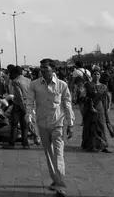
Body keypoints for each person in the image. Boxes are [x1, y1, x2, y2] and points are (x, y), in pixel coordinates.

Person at [25, 59, 74, 197]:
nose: (43, 70)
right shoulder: (34, 84)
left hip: (58, 123)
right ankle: (55, 179)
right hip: (41, 123)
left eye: (46, 68)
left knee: (58, 154)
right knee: (48, 154)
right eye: (41, 68)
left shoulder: (62, 85)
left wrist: (70, 123)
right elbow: (29, 102)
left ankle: (60, 186)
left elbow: (67, 103)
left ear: (53, 69)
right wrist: (28, 118)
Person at [80, 70, 113, 153]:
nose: (96, 75)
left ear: (100, 76)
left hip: (100, 108)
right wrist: (87, 100)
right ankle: (89, 144)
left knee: (101, 126)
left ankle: (103, 145)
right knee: (89, 125)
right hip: (89, 107)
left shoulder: (103, 86)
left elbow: (107, 97)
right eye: (94, 74)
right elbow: (82, 96)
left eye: (98, 74)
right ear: (92, 75)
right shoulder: (87, 85)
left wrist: (108, 107)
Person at [3, 65, 31, 149]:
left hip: (18, 104)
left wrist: (21, 103)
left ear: (15, 73)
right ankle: (25, 144)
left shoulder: (15, 81)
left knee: (14, 124)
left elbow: (18, 94)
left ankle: (12, 143)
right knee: (24, 125)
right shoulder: (28, 80)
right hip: (28, 103)